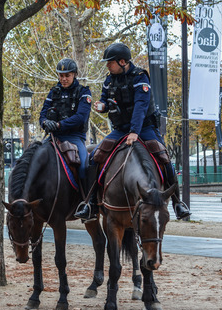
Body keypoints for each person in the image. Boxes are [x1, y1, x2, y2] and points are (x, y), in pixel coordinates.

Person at [74, 42, 190, 221]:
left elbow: (141, 107)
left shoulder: (140, 77)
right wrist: (102, 105)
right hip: (120, 130)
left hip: (145, 128)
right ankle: (90, 203)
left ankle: (177, 203)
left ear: (122, 62)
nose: (107, 65)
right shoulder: (108, 79)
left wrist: (135, 131)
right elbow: (105, 100)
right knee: (94, 157)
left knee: (164, 157)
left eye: (110, 62)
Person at [39, 58, 94, 220]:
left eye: (67, 75)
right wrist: (45, 123)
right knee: (34, 159)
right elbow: (42, 114)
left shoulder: (84, 92)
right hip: (53, 137)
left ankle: (87, 204)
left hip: (74, 137)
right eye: (61, 75)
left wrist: (58, 125)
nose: (63, 78)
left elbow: (81, 117)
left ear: (75, 75)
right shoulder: (53, 91)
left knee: (84, 165)